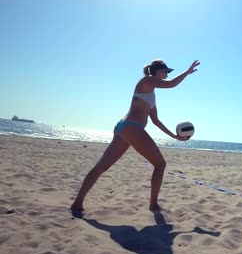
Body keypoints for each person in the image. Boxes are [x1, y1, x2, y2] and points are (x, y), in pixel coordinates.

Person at [71, 59, 200, 214]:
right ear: (158, 71)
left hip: (123, 128)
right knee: (160, 165)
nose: (166, 74)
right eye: (166, 71)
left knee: (101, 166)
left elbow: (156, 121)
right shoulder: (147, 81)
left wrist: (174, 136)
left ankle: (77, 203)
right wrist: (187, 72)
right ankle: (153, 204)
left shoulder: (151, 94)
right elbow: (172, 84)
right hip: (132, 128)